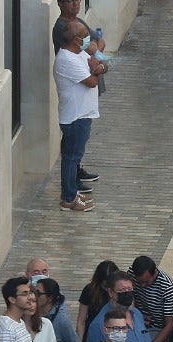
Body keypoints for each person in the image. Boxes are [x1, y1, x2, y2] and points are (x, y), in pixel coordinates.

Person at [53, 20, 105, 213]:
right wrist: (97, 71)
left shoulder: (79, 53)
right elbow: (92, 81)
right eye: (84, 37)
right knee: (71, 158)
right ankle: (68, 198)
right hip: (75, 118)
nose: (87, 41)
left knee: (74, 157)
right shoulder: (66, 60)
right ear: (76, 40)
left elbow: (99, 65)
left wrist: (99, 68)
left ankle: (72, 192)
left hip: (83, 114)